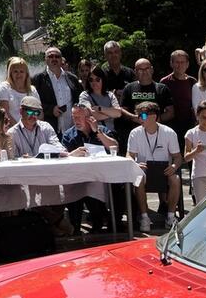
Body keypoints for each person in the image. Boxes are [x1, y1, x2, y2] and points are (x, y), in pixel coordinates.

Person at [60, 104, 118, 232]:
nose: (76, 120)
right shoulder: (69, 134)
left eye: (79, 117)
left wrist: (97, 132)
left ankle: (106, 224)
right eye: (73, 117)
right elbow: (62, 156)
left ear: (89, 118)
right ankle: (75, 228)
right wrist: (72, 154)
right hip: (77, 177)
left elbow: (115, 147)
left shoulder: (101, 129)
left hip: (102, 176)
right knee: (76, 189)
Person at [127, 101, 181, 232]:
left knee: (176, 179)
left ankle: (170, 216)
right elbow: (129, 155)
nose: (140, 119)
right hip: (144, 170)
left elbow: (178, 157)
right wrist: (134, 163)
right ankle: (145, 217)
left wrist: (173, 166)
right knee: (138, 179)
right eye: (138, 115)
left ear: (154, 116)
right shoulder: (135, 133)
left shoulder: (169, 132)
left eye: (143, 116)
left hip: (164, 171)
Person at [32, 47, 82, 135]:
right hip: (50, 131)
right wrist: (51, 110)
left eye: (57, 56)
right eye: (50, 56)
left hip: (72, 130)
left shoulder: (72, 78)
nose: (54, 59)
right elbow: (33, 105)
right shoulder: (37, 79)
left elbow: (79, 100)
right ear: (45, 59)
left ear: (61, 59)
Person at [160, 50, 197, 149]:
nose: (179, 65)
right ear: (171, 63)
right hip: (171, 126)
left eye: (182, 62)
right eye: (177, 62)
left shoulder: (193, 82)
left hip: (190, 126)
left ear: (187, 64)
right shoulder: (164, 82)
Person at [0, 56, 39, 129]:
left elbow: (40, 113)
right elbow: (4, 113)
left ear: (26, 74)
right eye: (15, 71)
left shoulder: (32, 90)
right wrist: (20, 130)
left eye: (22, 71)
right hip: (12, 131)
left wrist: (32, 129)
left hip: (32, 130)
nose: (19, 74)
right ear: (10, 73)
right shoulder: (4, 87)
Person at [78, 67, 121, 134]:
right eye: (91, 80)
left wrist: (99, 108)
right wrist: (111, 113)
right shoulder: (84, 95)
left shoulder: (110, 95)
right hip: (94, 135)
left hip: (110, 134)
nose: (94, 82)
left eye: (97, 79)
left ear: (103, 80)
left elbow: (118, 113)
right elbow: (91, 114)